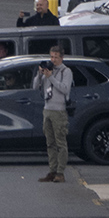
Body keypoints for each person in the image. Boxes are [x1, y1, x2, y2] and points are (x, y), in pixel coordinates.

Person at [34, 46, 72, 183]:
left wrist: (51, 78)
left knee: (60, 142)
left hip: (59, 110)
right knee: (50, 143)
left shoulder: (66, 72)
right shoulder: (47, 71)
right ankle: (52, 170)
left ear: (61, 58)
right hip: (47, 109)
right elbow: (34, 86)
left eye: (56, 57)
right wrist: (40, 74)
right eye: (51, 57)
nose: (53, 60)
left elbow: (65, 89)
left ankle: (60, 173)